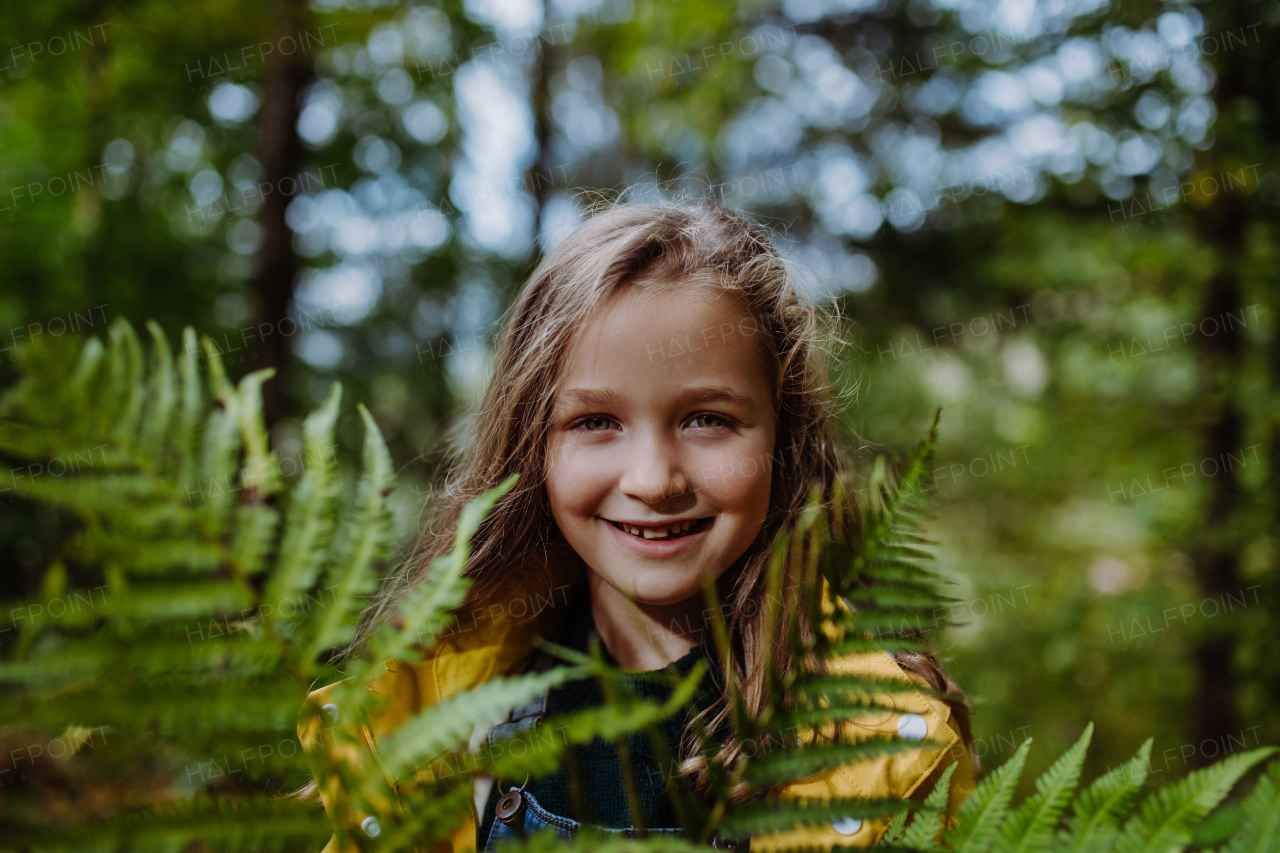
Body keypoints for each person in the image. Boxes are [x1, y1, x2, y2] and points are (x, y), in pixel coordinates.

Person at [298, 203, 977, 852]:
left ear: (784, 437)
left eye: (707, 418)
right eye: (596, 422)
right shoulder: (432, 714)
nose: (654, 480)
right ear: (532, 446)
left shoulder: (887, 751)